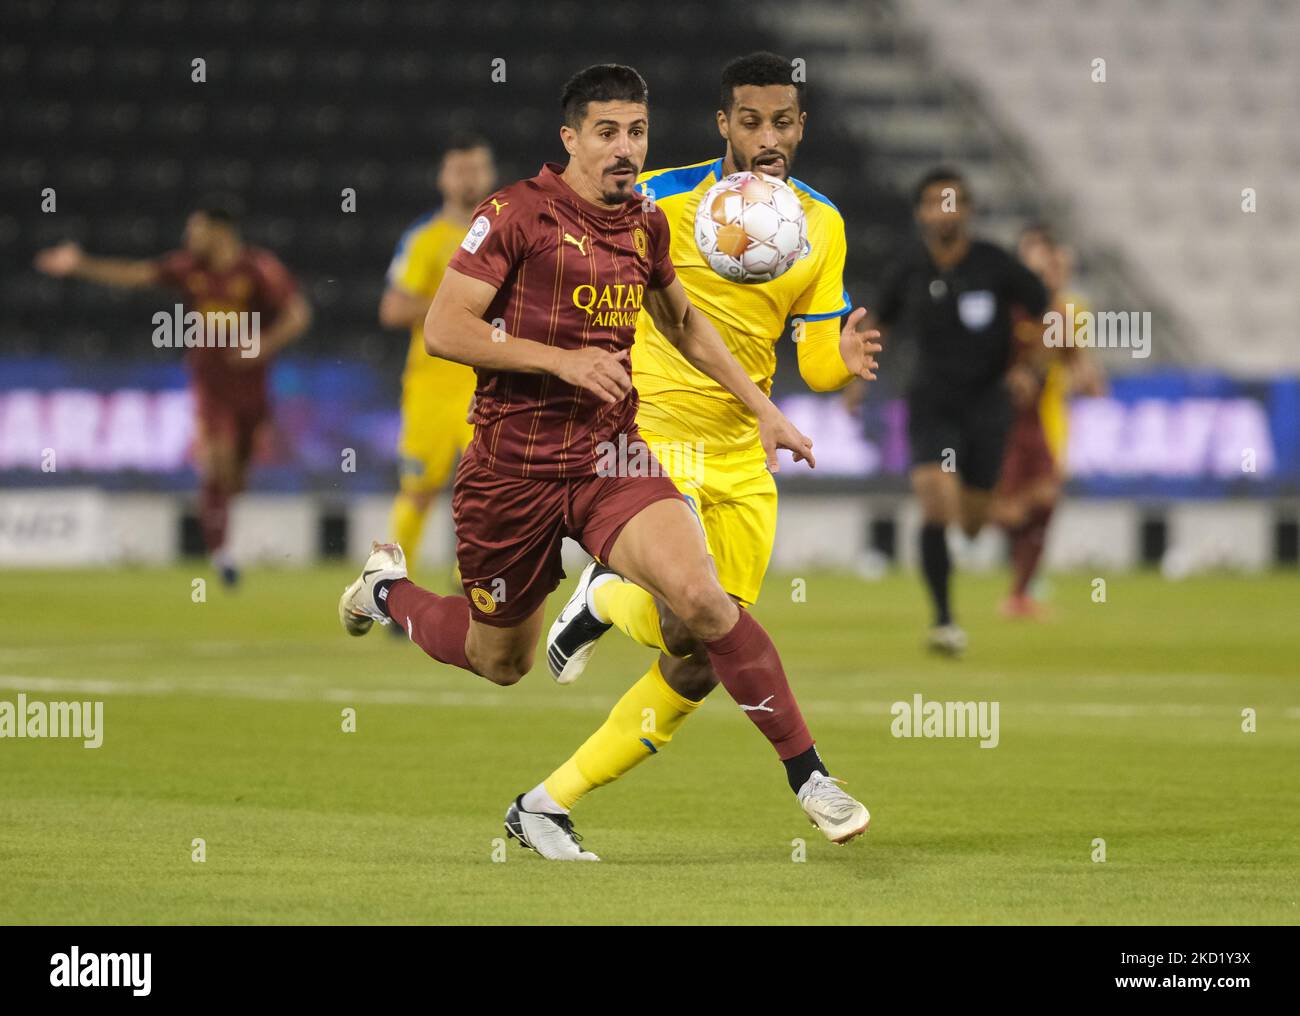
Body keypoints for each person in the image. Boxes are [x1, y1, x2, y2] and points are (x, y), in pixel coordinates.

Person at [338, 63, 870, 860]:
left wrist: (767, 410)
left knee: (704, 602)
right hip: (510, 472)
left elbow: (686, 324)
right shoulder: (514, 213)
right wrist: (559, 360)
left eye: (638, 132)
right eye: (608, 133)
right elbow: (444, 329)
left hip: (610, 456)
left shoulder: (647, 224)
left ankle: (811, 777)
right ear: (571, 139)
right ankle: (388, 593)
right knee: (499, 661)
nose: (626, 149)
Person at [535, 51, 881, 836]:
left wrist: (844, 359)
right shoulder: (657, 198)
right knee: (703, 611)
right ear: (723, 123)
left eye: (783, 122)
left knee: (700, 653)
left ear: (801, 126)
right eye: (750, 120)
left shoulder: (819, 223)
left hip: (740, 449)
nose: (768, 137)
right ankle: (811, 777)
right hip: (649, 434)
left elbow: (815, 357)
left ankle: (549, 800)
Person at [34, 203, 311, 585]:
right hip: (210, 384)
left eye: (195, 229)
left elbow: (298, 314)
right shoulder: (188, 268)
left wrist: (265, 344)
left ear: (221, 232)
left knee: (235, 475)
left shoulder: (258, 269)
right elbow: (135, 274)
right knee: (215, 458)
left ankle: (222, 518)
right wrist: (81, 264)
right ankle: (221, 554)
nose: (188, 237)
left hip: (251, 389)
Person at [869, 168, 1047, 655]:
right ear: (920, 212)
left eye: (953, 202)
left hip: (988, 405)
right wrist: (852, 377)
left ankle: (988, 526)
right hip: (930, 401)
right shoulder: (908, 266)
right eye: (934, 201)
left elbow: (1047, 313)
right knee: (936, 504)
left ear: (968, 211)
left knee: (972, 520)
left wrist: (1031, 368)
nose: (944, 210)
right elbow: (876, 323)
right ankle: (944, 621)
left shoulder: (996, 264)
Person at [380, 136, 497, 591]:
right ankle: (386, 585)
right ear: (442, 178)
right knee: (419, 491)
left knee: (484, 492)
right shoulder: (424, 239)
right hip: (429, 386)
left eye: (476, 169)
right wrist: (455, 303)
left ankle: (468, 585)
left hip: (487, 384)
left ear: (489, 174)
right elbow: (392, 309)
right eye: (459, 170)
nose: (468, 179)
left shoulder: (508, 232)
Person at [991, 224, 1106, 617]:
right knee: (1009, 510)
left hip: (1039, 418)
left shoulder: (1059, 312)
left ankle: (1021, 592)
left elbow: (1077, 361)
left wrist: (1085, 374)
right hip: (999, 419)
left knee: (1046, 500)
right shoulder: (1001, 306)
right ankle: (972, 516)